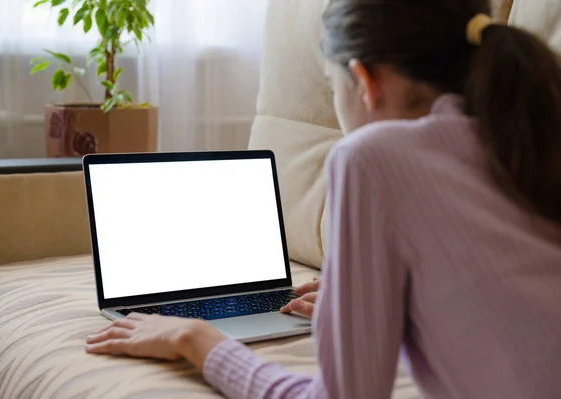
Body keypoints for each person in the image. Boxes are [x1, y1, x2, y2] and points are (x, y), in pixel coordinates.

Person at [85, 0, 561, 397]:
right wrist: (364, 301)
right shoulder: (531, 136)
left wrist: (197, 339)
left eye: (333, 87)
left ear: (366, 80)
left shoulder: (371, 158)